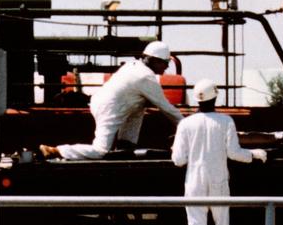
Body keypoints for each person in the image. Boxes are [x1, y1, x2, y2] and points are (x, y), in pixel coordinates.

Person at [171, 78, 261, 225]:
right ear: (215, 97)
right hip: (219, 180)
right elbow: (234, 153)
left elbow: (178, 160)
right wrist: (254, 154)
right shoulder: (226, 121)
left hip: (194, 182)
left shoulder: (185, 124)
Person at [40, 41, 183, 159]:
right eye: (164, 62)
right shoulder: (146, 77)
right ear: (154, 60)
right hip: (109, 108)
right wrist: (187, 124)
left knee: (139, 104)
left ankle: (126, 145)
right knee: (100, 151)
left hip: (105, 102)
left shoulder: (132, 66)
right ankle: (56, 151)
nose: (167, 66)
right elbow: (167, 109)